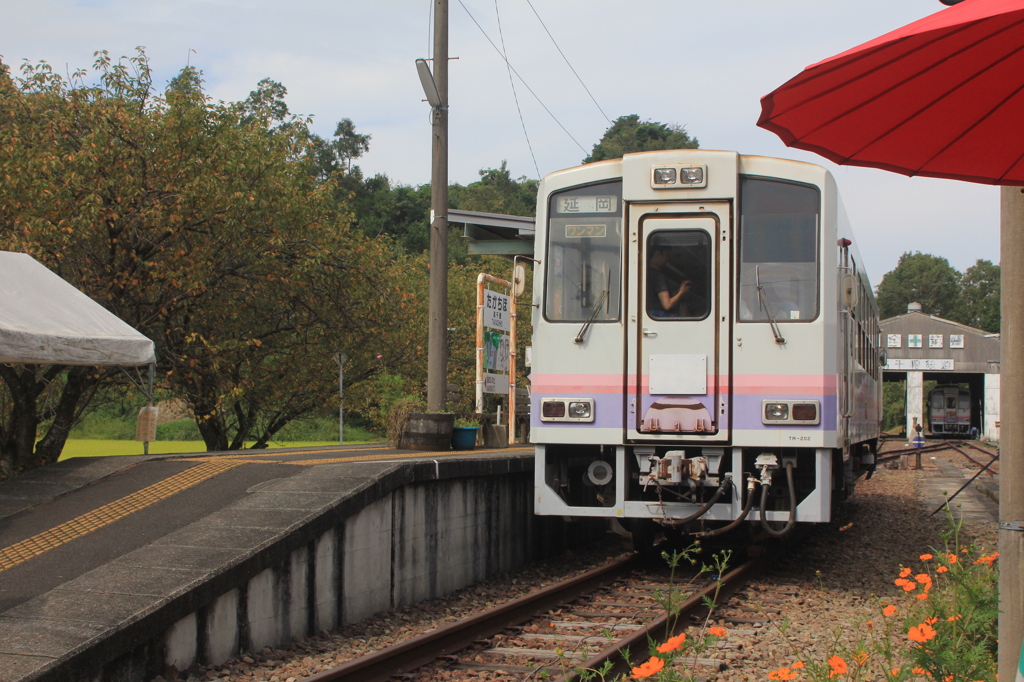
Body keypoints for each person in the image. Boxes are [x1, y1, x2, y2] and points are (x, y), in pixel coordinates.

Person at [647, 246, 690, 317]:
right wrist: (682, 292)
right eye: (666, 255)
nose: (667, 258)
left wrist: (677, 292)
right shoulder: (658, 276)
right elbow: (667, 305)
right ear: (657, 254)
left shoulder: (645, 274)